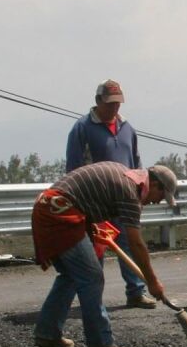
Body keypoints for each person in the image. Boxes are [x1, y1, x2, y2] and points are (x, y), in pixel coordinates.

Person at [31, 161, 178, 347]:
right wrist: (152, 281)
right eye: (161, 196)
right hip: (60, 214)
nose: (157, 202)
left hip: (46, 208)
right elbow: (136, 244)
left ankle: (47, 333)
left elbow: (88, 195)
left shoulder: (123, 173)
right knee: (91, 277)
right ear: (155, 185)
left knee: (71, 275)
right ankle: (100, 341)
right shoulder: (130, 192)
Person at [65, 79, 157, 309]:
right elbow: (74, 167)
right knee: (97, 250)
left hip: (125, 198)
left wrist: (140, 194)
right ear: (98, 102)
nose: (114, 109)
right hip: (96, 202)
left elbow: (136, 164)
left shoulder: (127, 128)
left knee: (129, 242)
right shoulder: (83, 128)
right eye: (110, 104)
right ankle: (94, 299)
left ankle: (136, 291)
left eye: (118, 104)